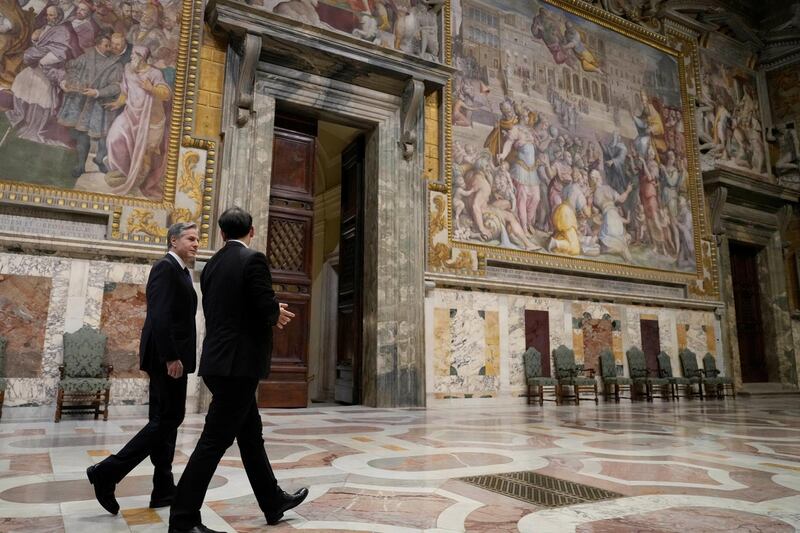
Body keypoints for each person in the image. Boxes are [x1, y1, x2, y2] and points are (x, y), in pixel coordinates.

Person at [168, 207, 308, 533]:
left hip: (218, 362)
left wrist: (269, 309)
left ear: (221, 234)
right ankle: (183, 518)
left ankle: (273, 502)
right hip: (239, 365)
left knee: (250, 436)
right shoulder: (253, 259)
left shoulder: (212, 264)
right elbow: (261, 302)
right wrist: (276, 312)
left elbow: (229, 307)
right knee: (213, 441)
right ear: (252, 231)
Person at [87, 222, 200, 515]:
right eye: (190, 239)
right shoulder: (165, 267)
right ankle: (108, 471)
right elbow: (160, 315)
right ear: (173, 241)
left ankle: (163, 487)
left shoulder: (181, 271)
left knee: (163, 420)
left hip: (170, 356)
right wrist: (171, 356)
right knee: (169, 418)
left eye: (197, 239)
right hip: (167, 358)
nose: (196, 244)